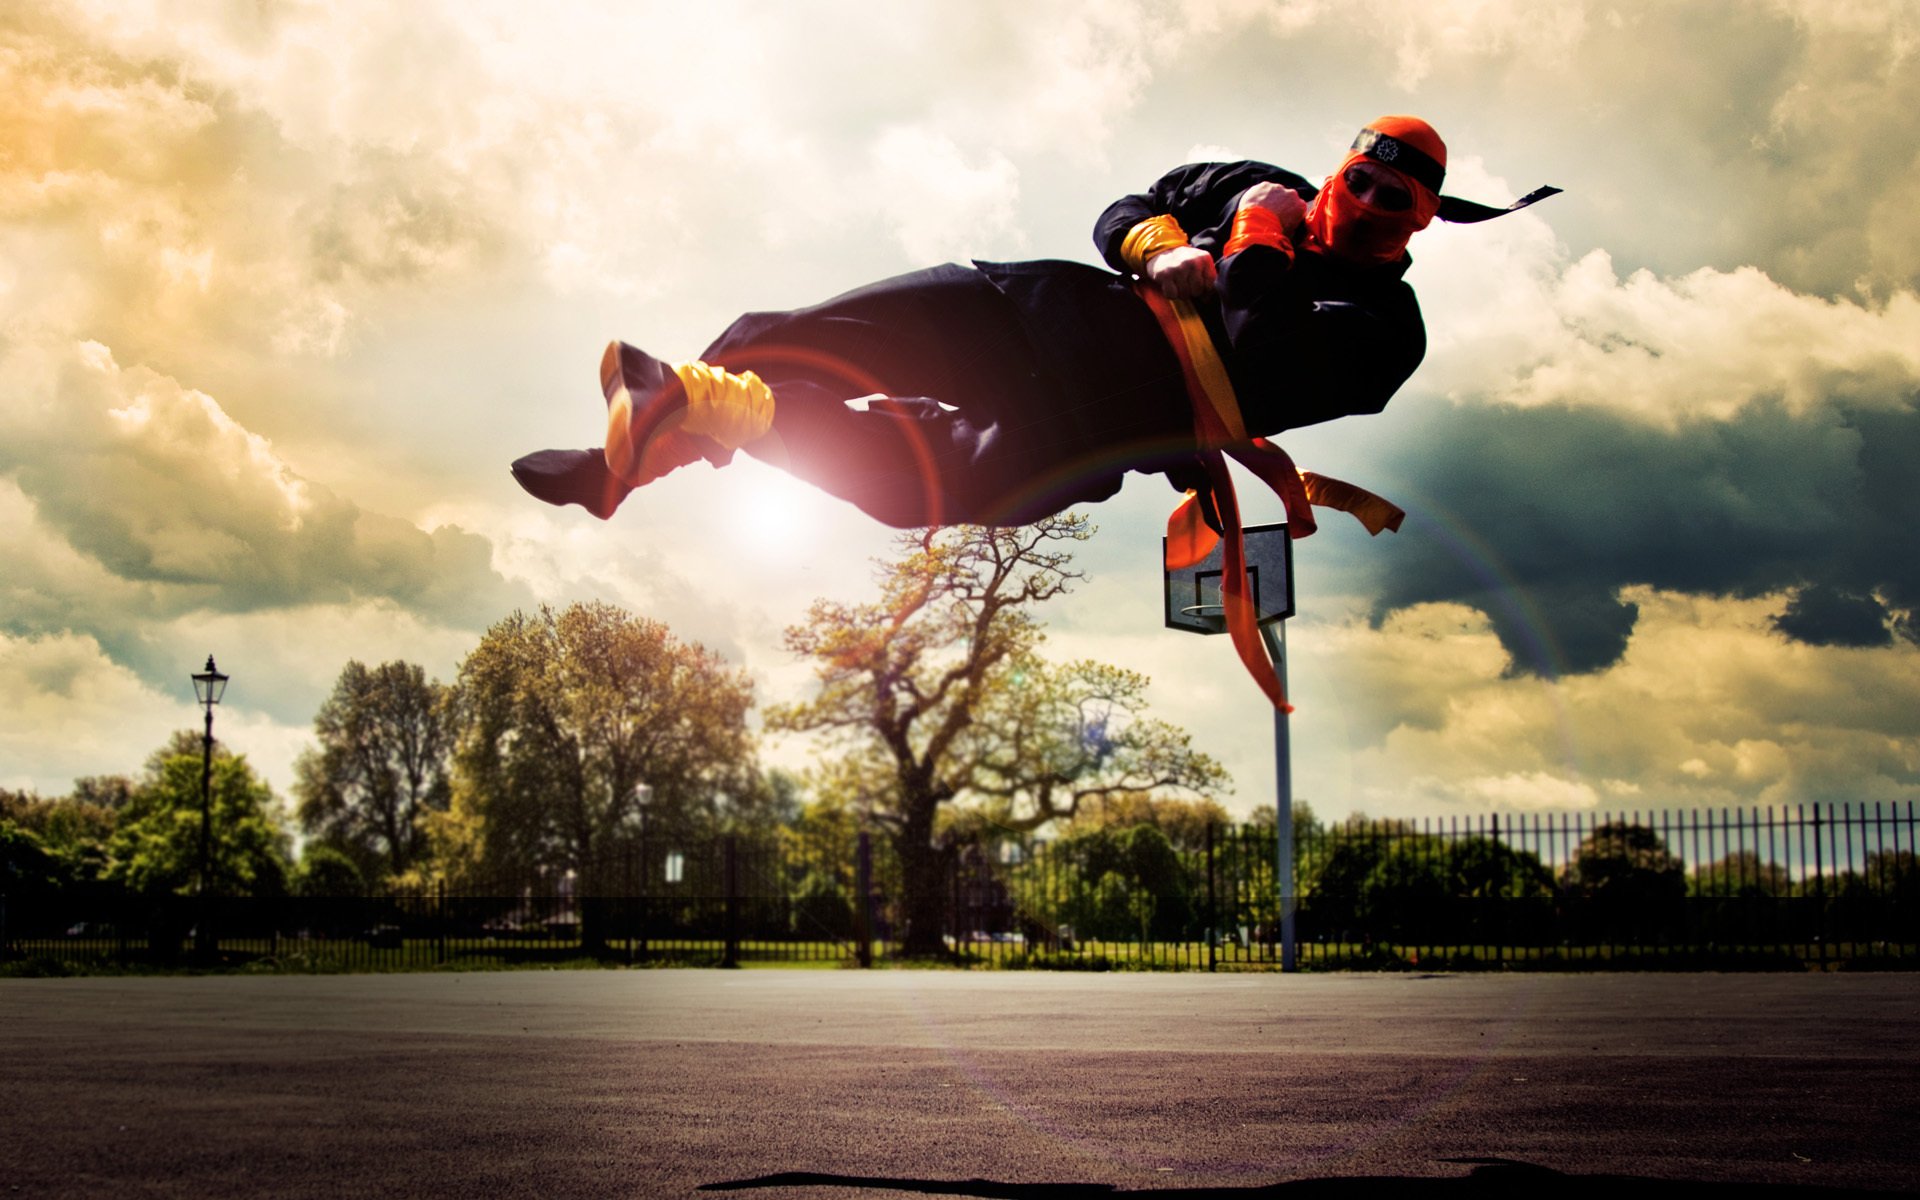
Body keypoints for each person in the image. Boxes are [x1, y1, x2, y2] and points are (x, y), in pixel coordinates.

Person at [513, 116, 1553, 532]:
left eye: (1394, 203)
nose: (1368, 205)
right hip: (1037, 313)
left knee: (913, 488)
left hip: (1103, 426)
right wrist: (1157, 246)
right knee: (777, 334)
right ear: (1342, 167)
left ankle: (696, 416)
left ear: (1425, 221)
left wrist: (1256, 240)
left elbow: (1270, 354)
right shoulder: (1251, 184)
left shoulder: (1388, 327)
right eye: (1361, 180)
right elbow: (1126, 208)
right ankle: (642, 446)